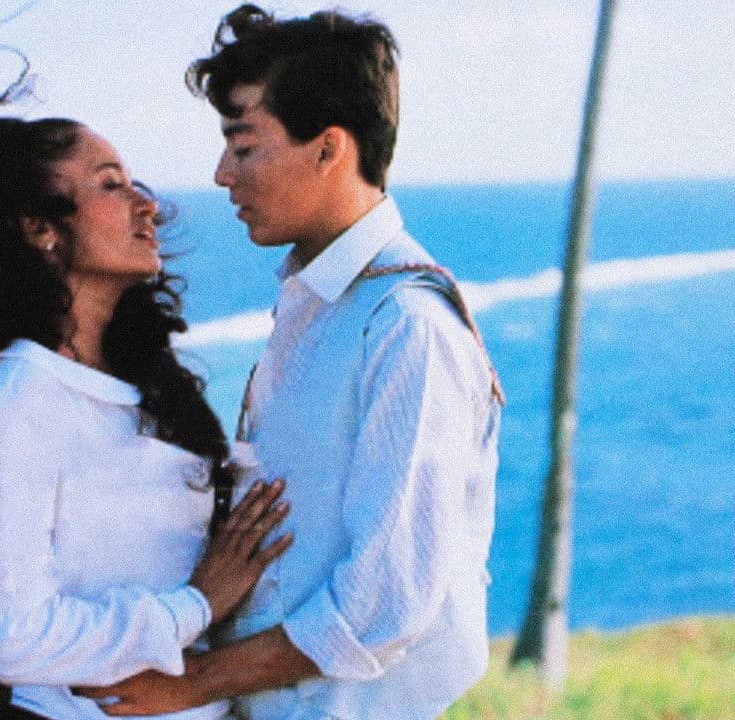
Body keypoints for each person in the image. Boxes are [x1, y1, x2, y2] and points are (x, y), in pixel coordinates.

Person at [73, 5, 504, 720]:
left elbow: (384, 602)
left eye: (244, 147)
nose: (221, 174)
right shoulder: (321, 305)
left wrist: (196, 681)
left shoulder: (407, 327)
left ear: (329, 149)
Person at [0, 110, 293, 720]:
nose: (147, 206)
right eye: (111, 184)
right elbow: (11, 638)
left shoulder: (146, 383)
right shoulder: (23, 395)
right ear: (41, 228)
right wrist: (194, 607)